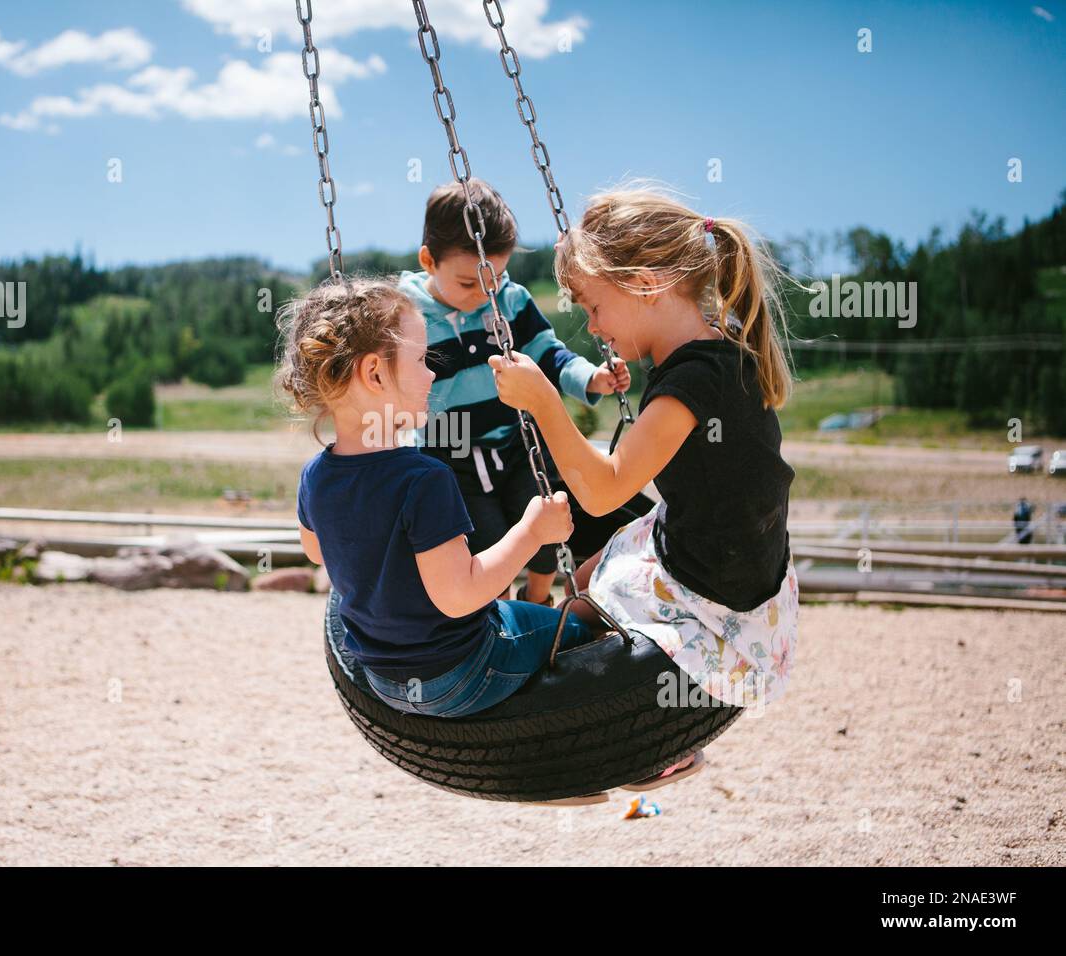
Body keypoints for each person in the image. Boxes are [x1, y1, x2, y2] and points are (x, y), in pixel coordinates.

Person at [490, 187, 799, 708]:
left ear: (646, 284)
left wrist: (544, 400)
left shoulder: (694, 380)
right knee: (587, 576)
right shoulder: (719, 349)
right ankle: (567, 635)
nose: (592, 327)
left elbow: (603, 492)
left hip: (715, 589)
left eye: (594, 307)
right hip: (736, 556)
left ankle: (585, 700)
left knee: (586, 606)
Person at [276, 276, 597, 718]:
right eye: (423, 359)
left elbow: (316, 553)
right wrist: (532, 530)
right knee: (580, 628)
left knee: (511, 612)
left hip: (381, 678)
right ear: (374, 373)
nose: (432, 373)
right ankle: (604, 751)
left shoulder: (315, 475)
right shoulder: (424, 478)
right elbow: (460, 597)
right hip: (460, 674)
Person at [399, 178, 631, 606]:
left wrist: (591, 378)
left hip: (517, 442)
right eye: (469, 284)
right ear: (429, 261)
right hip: (452, 456)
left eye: (496, 278)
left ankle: (539, 600)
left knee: (548, 522)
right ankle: (498, 618)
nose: (484, 294)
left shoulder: (511, 302)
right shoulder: (407, 315)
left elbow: (548, 352)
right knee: (487, 543)